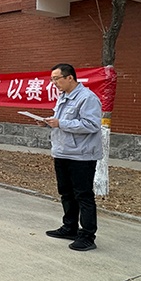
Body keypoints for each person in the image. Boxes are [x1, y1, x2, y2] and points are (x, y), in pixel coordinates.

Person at [43, 63, 103, 252]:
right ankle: (70, 227)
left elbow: (92, 125)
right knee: (66, 193)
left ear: (70, 77)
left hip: (81, 156)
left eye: (56, 79)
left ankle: (87, 236)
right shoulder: (63, 97)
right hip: (62, 152)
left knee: (83, 195)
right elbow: (62, 122)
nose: (54, 83)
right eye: (52, 80)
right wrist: (49, 123)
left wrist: (60, 123)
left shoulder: (87, 98)